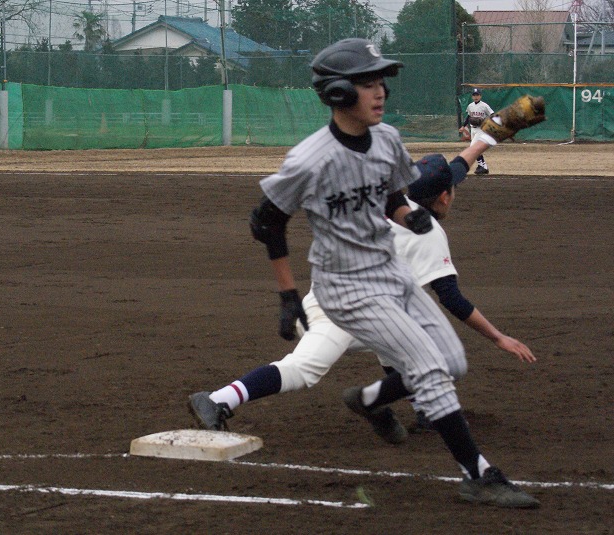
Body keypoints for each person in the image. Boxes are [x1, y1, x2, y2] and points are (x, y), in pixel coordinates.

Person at [189, 38, 541, 508]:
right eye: (368, 83)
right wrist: (287, 294)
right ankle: (477, 474)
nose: (380, 92)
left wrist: (409, 214)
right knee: (416, 368)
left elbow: (400, 191)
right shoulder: (312, 159)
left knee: (451, 362)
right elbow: (266, 221)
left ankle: (371, 399)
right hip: (346, 289)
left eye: (381, 82)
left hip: (389, 279)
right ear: (338, 93)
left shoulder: (388, 142)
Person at [187, 149, 537, 440]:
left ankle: (422, 409)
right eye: (451, 189)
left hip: (339, 294)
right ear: (444, 197)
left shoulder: (383, 201)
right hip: (344, 311)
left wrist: (484, 140)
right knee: (303, 369)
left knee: (405, 334)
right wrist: (498, 337)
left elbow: (455, 169)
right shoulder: (427, 233)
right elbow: (451, 298)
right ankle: (218, 399)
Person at [462, 88, 494, 175]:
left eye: (477, 95)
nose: (476, 97)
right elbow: (468, 116)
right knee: (476, 148)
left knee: (473, 147)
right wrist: (463, 126)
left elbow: (492, 114)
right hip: (473, 129)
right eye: (474, 95)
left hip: (481, 129)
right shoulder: (470, 106)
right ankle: (483, 166)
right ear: (472, 96)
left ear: (480, 96)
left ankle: (482, 166)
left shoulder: (484, 106)